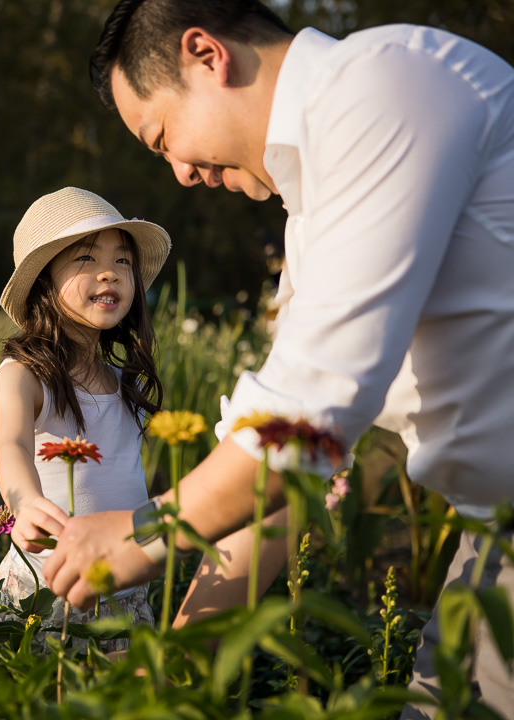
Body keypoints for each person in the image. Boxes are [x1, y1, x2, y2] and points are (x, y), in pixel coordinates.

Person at [39, 1, 514, 716]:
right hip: (491, 540)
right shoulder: (319, 216)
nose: (181, 173)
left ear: (206, 54)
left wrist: (143, 535)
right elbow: (288, 467)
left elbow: (314, 413)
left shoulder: (385, 86)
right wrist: (169, 672)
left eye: (163, 135)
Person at [0, 186, 170, 650]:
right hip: (49, 591)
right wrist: (25, 503)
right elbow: (10, 446)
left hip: (125, 593)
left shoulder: (121, 381)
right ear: (43, 281)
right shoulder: (24, 375)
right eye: (86, 258)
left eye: (123, 261)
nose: (110, 272)